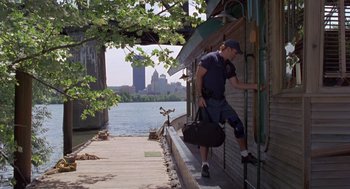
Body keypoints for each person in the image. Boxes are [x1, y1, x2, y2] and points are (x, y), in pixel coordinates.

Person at [195, 39, 260, 178]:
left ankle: (244, 155)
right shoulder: (210, 58)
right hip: (207, 103)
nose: (235, 56)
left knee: (238, 125)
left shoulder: (228, 66)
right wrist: (200, 96)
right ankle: (204, 165)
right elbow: (198, 76)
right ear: (228, 49)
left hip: (222, 103)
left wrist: (255, 86)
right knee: (205, 134)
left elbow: (236, 84)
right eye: (235, 52)